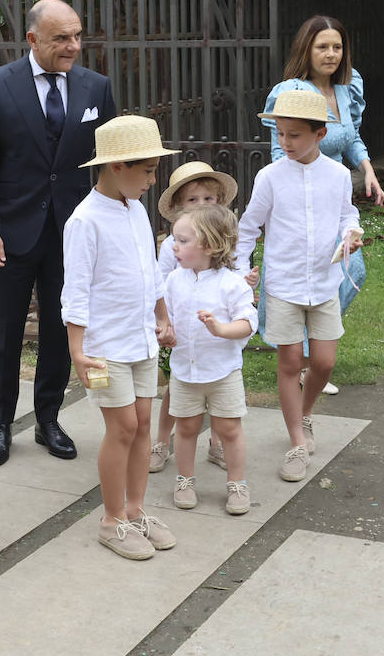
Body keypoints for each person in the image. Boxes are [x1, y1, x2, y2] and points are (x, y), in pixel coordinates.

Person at [0, 0, 116, 468]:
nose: (73, 46)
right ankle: (0, 423)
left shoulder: (96, 86)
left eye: (77, 36)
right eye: (61, 39)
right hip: (11, 231)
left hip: (72, 232)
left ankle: (49, 418)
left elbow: (111, 158)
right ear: (33, 40)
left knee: (60, 325)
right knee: (5, 331)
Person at [62, 115, 177, 559]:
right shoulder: (85, 221)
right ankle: (111, 521)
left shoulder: (137, 209)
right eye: (147, 170)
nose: (153, 180)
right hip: (104, 349)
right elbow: (75, 291)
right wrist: (78, 350)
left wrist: (162, 316)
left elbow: (150, 271)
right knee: (123, 426)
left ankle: (135, 510)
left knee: (144, 424)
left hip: (142, 341)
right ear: (116, 167)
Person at [236, 89, 361, 482]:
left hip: (324, 283)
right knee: (290, 362)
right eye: (281, 134)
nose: (285, 143)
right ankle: (295, 440)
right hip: (284, 284)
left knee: (323, 363)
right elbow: (248, 226)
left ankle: (304, 413)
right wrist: (241, 270)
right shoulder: (270, 176)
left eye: (294, 135)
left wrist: (352, 232)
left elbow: (347, 213)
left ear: (320, 134)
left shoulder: (339, 175)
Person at [261, 15, 384, 395]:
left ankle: (309, 348)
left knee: (352, 270)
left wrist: (368, 169)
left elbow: (351, 137)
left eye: (337, 47)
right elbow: (278, 151)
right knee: (307, 275)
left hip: (335, 196)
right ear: (307, 50)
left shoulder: (348, 89)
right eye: (322, 47)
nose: (331, 54)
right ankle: (301, 358)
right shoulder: (291, 91)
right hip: (300, 197)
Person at [148, 161, 248, 475]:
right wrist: (165, 322)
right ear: (178, 207)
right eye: (193, 200)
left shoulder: (221, 240)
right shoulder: (172, 248)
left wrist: (248, 283)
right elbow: (161, 285)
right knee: (177, 391)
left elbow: (235, 272)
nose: (202, 205)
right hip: (181, 333)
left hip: (216, 334)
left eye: (208, 198)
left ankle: (217, 444)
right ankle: (163, 441)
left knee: (219, 393)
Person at [163, 204, 256, 516]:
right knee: (186, 428)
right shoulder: (174, 281)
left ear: (211, 245)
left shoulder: (232, 283)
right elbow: (169, 320)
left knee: (229, 429)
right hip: (185, 373)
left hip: (223, 373)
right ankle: (185, 479)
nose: (174, 246)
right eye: (175, 239)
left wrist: (219, 328)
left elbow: (248, 322)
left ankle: (237, 483)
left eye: (183, 241)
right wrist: (165, 333)